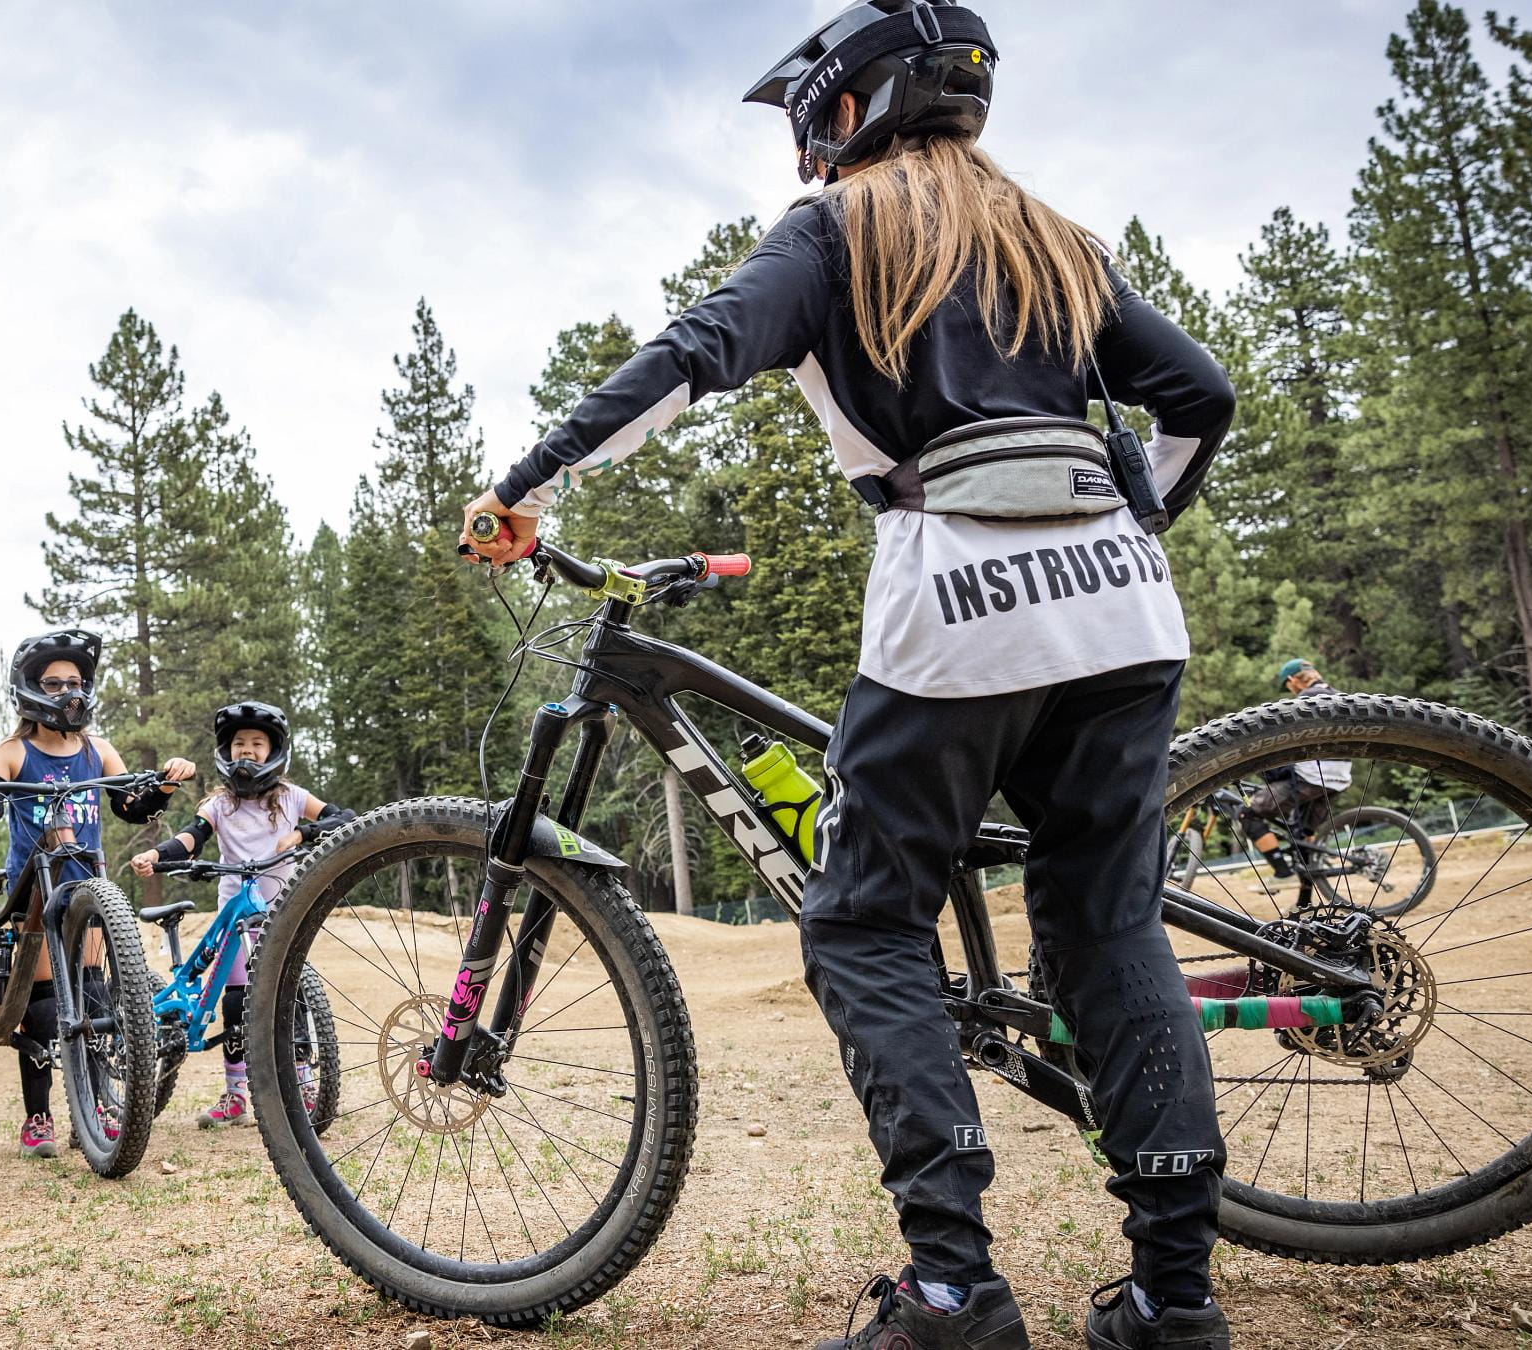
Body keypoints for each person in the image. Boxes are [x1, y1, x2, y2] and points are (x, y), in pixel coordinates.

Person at [459, 4, 1237, 1346]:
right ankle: (1175, 1299)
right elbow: (1199, 396)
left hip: (959, 583)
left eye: (810, 121)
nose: (807, 150)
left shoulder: (837, 230)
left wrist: (525, 483)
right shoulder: (1045, 235)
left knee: (865, 923)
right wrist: (1117, 529)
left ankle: (951, 1290)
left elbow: (693, 357)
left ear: (845, 109)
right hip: (1122, 605)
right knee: (1111, 926)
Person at [0, 628, 194, 1158]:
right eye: (54, 682)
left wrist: (164, 783)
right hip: (34, 892)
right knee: (43, 1010)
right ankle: (38, 1117)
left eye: (75, 681)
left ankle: (90, 1108)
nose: (67, 690)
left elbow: (131, 805)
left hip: (88, 892)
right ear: (30, 689)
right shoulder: (13, 751)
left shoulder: (98, 750)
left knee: (90, 998)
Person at [126, 701, 355, 1127]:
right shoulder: (219, 804)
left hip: (282, 910)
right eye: (238, 745)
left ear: (274, 752)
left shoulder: (291, 797)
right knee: (235, 999)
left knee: (292, 994)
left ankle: (304, 1080)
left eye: (257, 744)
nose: (246, 752)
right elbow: (192, 839)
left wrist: (302, 833)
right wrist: (157, 854)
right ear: (226, 753)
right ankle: (235, 1094)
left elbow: (344, 818)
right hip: (235, 912)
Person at [1242, 659, 1351, 878]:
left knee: (1247, 814)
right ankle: (1304, 901)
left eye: (1288, 687)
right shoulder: (1340, 695)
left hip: (1309, 777)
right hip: (1339, 777)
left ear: (1293, 681)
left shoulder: (1306, 698)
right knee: (1303, 837)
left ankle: (1282, 873)